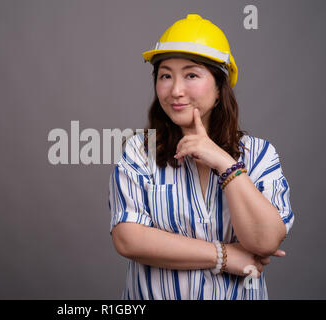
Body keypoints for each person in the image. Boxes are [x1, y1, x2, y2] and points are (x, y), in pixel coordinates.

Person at [108, 14, 295, 300]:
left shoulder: (259, 155)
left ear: (220, 89)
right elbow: (128, 239)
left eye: (191, 75)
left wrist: (223, 162)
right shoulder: (139, 152)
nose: (175, 90)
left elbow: (265, 241)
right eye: (165, 75)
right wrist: (223, 255)